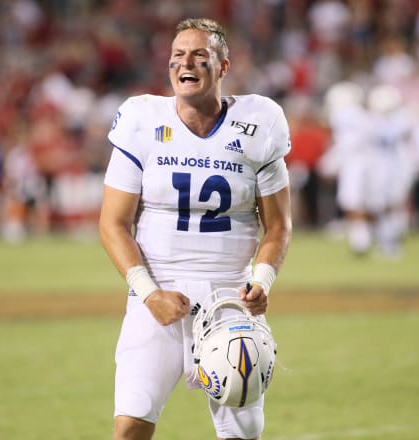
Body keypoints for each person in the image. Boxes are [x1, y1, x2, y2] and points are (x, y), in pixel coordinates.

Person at [98, 18, 292, 440]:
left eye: (199, 55)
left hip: (230, 300)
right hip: (158, 292)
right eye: (178, 56)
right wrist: (149, 294)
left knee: (242, 435)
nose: (186, 63)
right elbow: (113, 223)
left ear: (223, 67)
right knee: (130, 427)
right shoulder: (142, 119)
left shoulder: (260, 121)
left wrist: (262, 282)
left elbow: (278, 225)